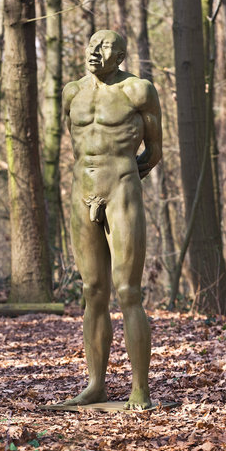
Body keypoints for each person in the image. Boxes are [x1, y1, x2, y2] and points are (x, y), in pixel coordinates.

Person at [62, 30, 162, 409]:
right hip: (80, 190)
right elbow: (76, 145)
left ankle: (140, 388)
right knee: (92, 291)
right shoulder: (72, 92)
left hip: (122, 190)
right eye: (90, 45)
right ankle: (96, 384)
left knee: (129, 291)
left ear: (119, 55)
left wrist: (124, 178)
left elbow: (153, 151)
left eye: (103, 47)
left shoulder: (137, 91)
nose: (93, 52)